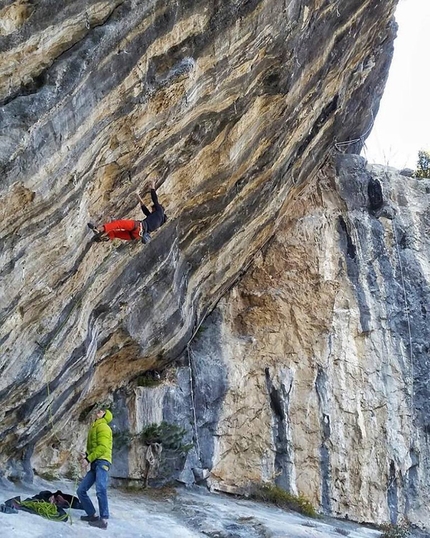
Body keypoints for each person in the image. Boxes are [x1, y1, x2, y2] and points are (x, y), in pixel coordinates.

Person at [88, 180, 167, 244]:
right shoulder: (159, 221)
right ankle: (107, 237)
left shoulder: (160, 211)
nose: (152, 210)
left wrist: (152, 186)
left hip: (138, 226)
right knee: (115, 234)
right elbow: (146, 211)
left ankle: (99, 229)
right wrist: (139, 198)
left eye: (153, 209)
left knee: (118, 224)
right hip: (136, 235)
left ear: (158, 209)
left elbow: (155, 200)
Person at [77, 407, 113, 530]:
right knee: (81, 490)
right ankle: (92, 515)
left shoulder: (104, 427)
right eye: (98, 411)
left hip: (102, 462)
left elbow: (102, 448)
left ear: (105, 415)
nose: (98, 412)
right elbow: (94, 448)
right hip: (95, 462)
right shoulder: (95, 427)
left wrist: (88, 459)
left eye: (101, 411)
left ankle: (103, 520)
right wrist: (86, 456)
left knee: (100, 489)